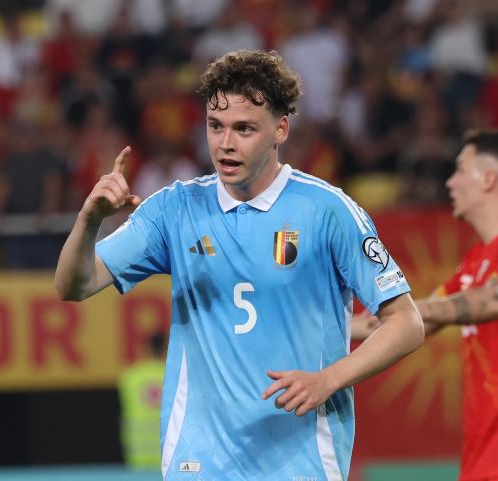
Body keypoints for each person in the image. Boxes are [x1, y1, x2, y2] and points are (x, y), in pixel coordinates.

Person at [54, 49, 424, 481]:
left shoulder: (327, 211)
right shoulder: (175, 208)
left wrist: (328, 379)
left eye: (244, 128)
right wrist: (89, 220)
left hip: (299, 456)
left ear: (280, 129)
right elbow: (74, 286)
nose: (225, 143)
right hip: (200, 459)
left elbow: (406, 323)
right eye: (216, 126)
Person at [355, 130, 498, 481]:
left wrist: (409, 310)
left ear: (489, 179)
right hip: (485, 463)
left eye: (460, 170)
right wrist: (306, 324)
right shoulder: (476, 261)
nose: (450, 182)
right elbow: (405, 323)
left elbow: (494, 300)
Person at [118, 332, 167, 470]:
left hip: (138, 451)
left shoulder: (129, 376)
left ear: (147, 349)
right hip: (168, 450)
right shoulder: (174, 374)